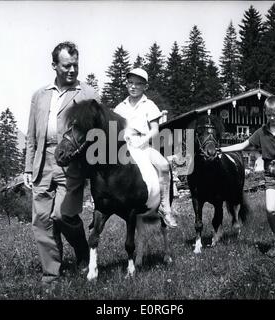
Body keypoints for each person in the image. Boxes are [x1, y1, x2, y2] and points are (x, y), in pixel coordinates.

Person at [24, 41, 100, 284]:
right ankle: (51, 275)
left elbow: (100, 130)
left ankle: (83, 254)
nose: (72, 70)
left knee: (63, 214)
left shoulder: (88, 93)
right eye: (67, 65)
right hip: (42, 162)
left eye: (75, 65)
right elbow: (32, 134)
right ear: (54, 65)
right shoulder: (39, 95)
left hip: (72, 163)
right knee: (42, 221)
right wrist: (28, 166)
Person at [220, 96, 275, 259]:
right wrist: (221, 150)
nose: (272, 118)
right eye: (268, 115)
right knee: (270, 210)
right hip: (270, 174)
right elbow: (242, 145)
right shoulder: (261, 132)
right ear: (265, 113)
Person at [113, 68, 177, 228]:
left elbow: (155, 129)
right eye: (130, 83)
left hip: (143, 144)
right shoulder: (120, 107)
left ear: (145, 87)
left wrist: (143, 141)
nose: (133, 86)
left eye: (138, 84)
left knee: (163, 165)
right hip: (124, 145)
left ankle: (165, 207)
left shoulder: (149, 105)